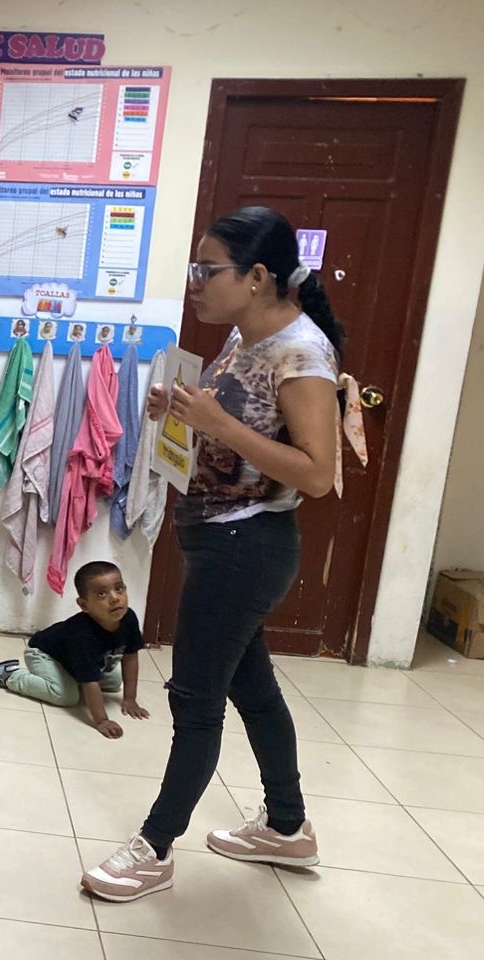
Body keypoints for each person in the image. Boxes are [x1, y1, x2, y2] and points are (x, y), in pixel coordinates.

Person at [81, 206, 339, 903]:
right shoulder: (243, 336)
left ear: (256, 277)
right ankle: (287, 827)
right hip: (218, 538)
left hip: (246, 546)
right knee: (253, 689)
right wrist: (180, 412)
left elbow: (317, 473)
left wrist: (218, 422)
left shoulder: (301, 354)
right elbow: (229, 428)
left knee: (195, 700)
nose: (195, 281)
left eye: (207, 269)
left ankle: (155, 847)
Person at [0, 560, 151, 738]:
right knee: (66, 697)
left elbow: (130, 656)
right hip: (44, 654)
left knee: (114, 682)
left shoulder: (128, 618)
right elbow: (90, 681)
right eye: (102, 594)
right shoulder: (82, 635)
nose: (115, 598)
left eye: (119, 589)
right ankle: (9, 675)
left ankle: (73, 677)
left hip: (76, 660)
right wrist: (101, 720)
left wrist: (130, 699)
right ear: (84, 605)